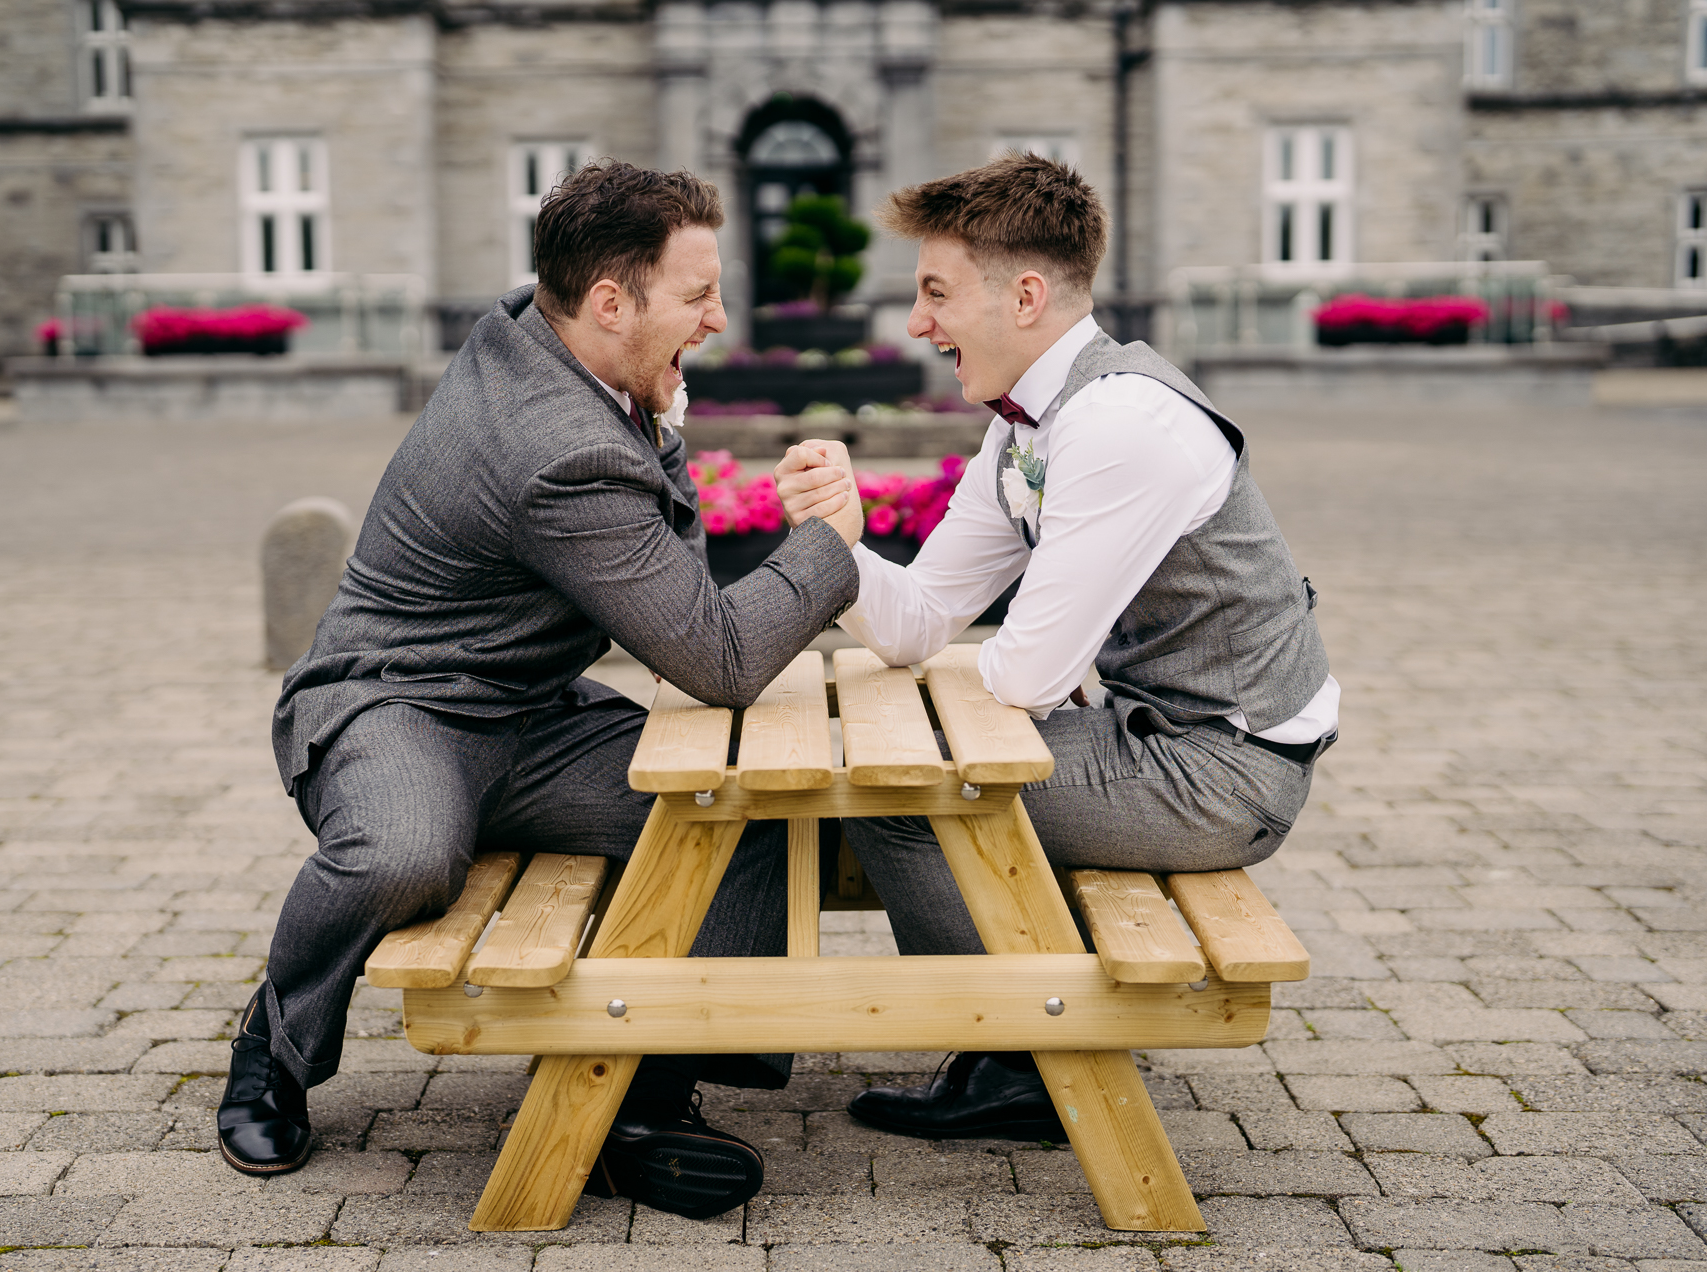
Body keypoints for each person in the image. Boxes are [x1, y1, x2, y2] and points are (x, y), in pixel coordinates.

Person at [228, 161, 863, 1219]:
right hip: (395, 704)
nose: (718, 316)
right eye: (698, 293)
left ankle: (646, 1094)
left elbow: (676, 582)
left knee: (742, 805)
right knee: (405, 850)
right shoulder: (554, 442)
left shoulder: (553, 338)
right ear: (611, 302)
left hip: (527, 714)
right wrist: (831, 543)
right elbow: (716, 657)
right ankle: (275, 1046)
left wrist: (661, 417)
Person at [775, 153, 1336, 1144]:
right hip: (1160, 732)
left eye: (936, 292)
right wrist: (841, 541)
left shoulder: (1118, 422)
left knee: (904, 797)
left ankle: (1032, 1054)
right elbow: (920, 619)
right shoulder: (1034, 419)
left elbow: (1026, 676)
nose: (916, 322)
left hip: (1225, 771)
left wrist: (914, 713)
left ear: (1025, 295)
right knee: (895, 763)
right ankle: (1030, 1016)